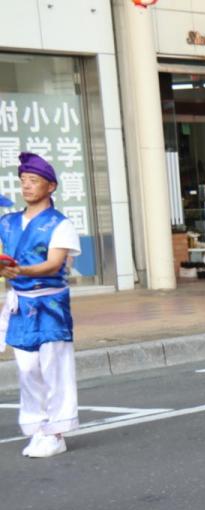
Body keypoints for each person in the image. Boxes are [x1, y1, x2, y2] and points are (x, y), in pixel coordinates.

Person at [0, 153, 82, 458]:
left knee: (54, 366)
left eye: (33, 181)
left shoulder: (60, 224)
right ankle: (36, 427)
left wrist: (18, 270)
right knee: (27, 368)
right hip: (20, 303)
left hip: (50, 303)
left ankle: (56, 431)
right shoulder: (6, 222)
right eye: (23, 181)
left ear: (51, 186)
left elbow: (53, 264)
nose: (26, 186)